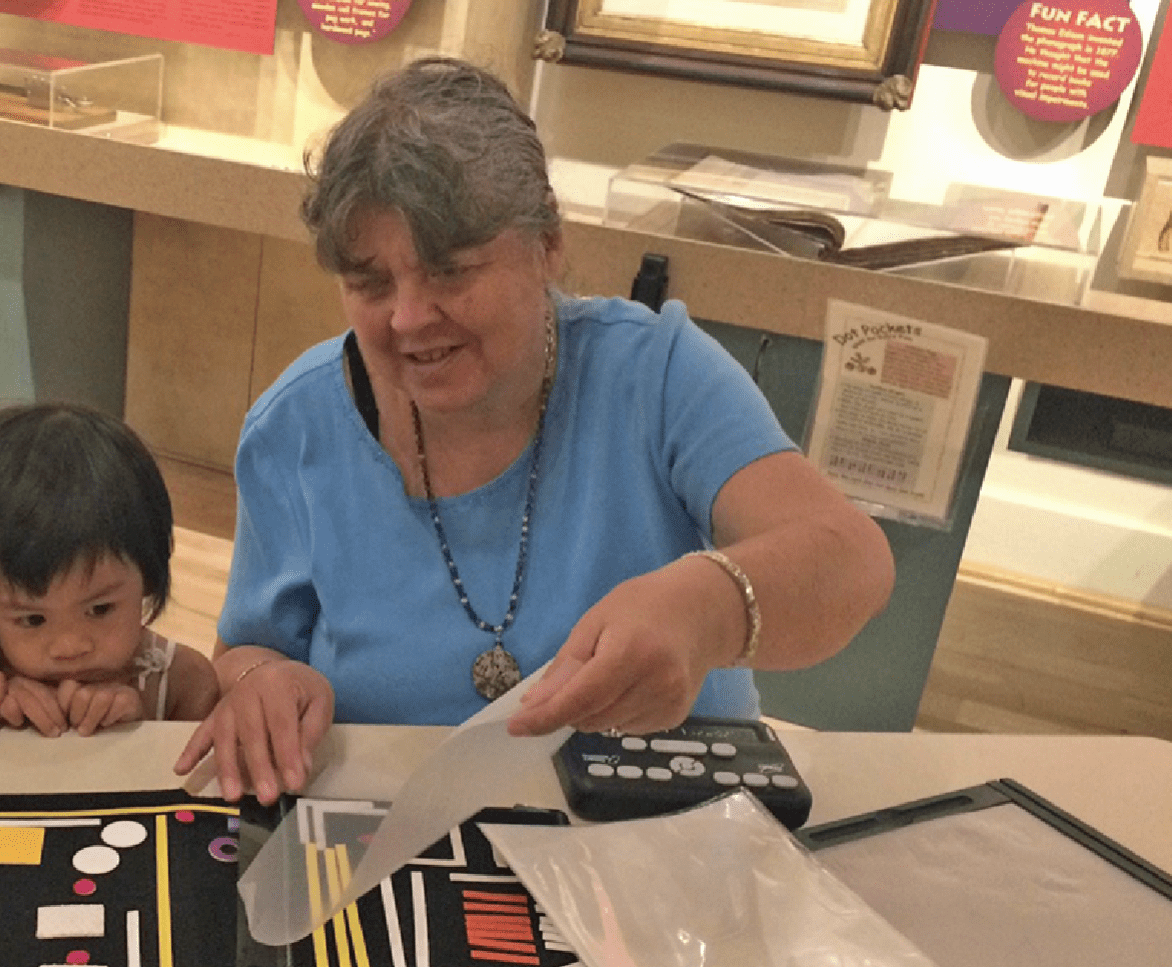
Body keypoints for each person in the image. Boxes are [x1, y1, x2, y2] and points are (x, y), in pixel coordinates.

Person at [175, 58, 894, 802]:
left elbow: (852, 563)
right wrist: (261, 681)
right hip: (393, 831)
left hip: (656, 829)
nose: (409, 317)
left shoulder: (656, 373)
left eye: (451, 271)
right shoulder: (295, 425)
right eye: (371, 283)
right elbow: (251, 645)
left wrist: (707, 607)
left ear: (548, 242)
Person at [0, 404, 219, 736]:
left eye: (100, 609)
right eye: (32, 619)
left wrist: (140, 733)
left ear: (150, 572)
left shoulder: (183, 686)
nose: (70, 647)